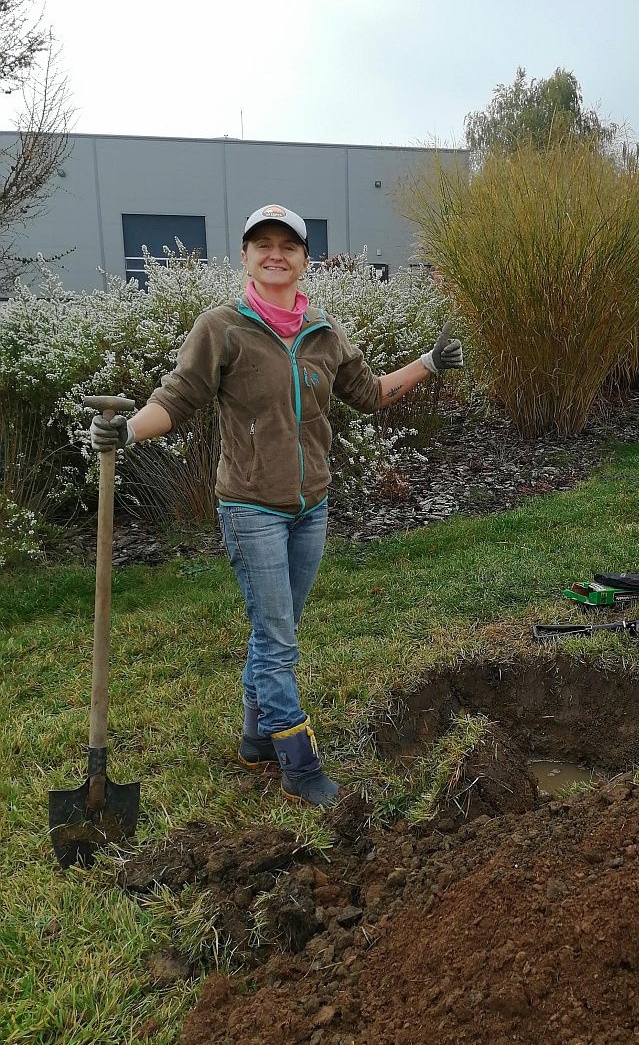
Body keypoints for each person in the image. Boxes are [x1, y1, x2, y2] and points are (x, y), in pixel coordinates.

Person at [90, 203, 463, 809]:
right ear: (245, 257)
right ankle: (297, 761)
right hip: (251, 507)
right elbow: (177, 399)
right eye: (262, 244)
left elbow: (370, 394)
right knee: (277, 634)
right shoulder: (221, 329)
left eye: (288, 246)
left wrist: (426, 364)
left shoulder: (324, 333)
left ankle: (256, 736)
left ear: (304, 260)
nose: (275, 254)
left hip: (310, 506)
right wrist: (128, 431)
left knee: (275, 629)